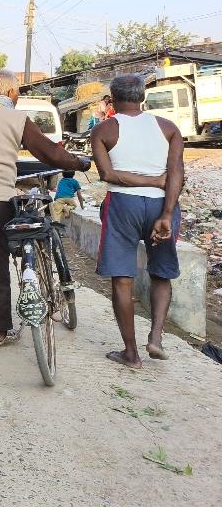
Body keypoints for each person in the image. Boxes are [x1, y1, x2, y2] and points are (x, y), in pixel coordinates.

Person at [0, 70, 90, 354]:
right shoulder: (17, 118)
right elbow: (50, 153)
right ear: (12, 93)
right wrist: (80, 163)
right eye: (18, 92)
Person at [90, 74, 183, 369]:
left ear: (112, 100)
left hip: (122, 205)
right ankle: (155, 337)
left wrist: (148, 180)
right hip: (162, 205)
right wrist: (167, 214)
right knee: (161, 273)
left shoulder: (104, 130)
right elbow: (176, 174)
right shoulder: (168, 128)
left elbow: (107, 175)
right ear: (143, 98)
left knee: (122, 277)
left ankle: (131, 354)